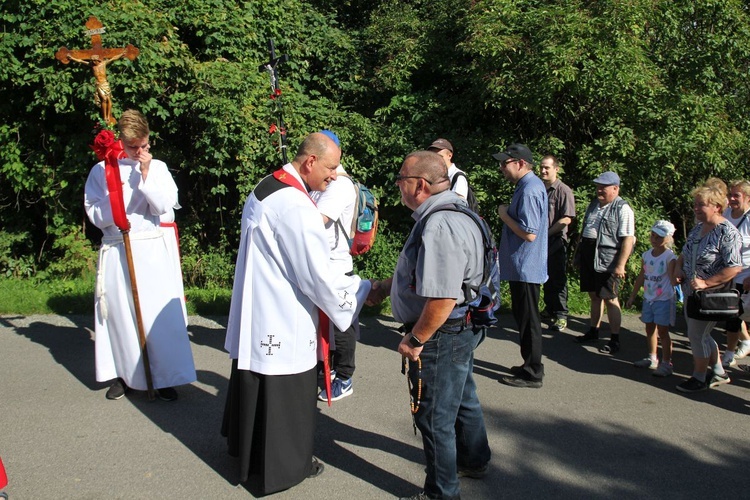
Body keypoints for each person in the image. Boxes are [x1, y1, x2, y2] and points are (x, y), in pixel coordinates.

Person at [221, 133, 371, 495]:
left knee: (258, 381)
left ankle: (250, 455)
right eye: (332, 168)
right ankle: (284, 467)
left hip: (261, 304)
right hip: (283, 313)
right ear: (310, 162)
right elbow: (315, 274)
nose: (336, 176)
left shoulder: (267, 184)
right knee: (285, 391)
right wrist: (361, 290)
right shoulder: (295, 204)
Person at [368, 150, 491, 500]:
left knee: (434, 418)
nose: (398, 186)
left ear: (420, 185)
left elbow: (442, 297)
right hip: (460, 329)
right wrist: (387, 287)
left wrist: (415, 337)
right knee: (463, 398)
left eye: (401, 180)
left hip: (442, 333)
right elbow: (422, 271)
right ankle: (475, 460)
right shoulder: (453, 212)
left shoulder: (439, 224)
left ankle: (442, 493)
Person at [84, 109, 196, 402]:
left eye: (144, 146)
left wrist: (145, 176)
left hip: (150, 248)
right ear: (121, 142)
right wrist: (115, 198)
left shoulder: (157, 167)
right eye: (134, 147)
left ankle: (163, 376)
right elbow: (95, 213)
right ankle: (125, 374)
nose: (140, 152)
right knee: (123, 315)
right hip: (117, 247)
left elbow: (163, 206)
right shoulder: (101, 171)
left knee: (156, 316)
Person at [672, 181, 742, 393]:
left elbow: (735, 267)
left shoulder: (727, 232)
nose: (695, 208)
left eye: (700, 204)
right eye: (695, 204)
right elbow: (684, 253)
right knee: (701, 334)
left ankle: (699, 377)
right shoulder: (697, 229)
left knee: (696, 335)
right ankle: (719, 371)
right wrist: (678, 269)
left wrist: (706, 283)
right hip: (691, 293)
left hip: (711, 295)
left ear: (716, 207)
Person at [310, 130, 359, 402]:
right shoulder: (324, 182)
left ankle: (344, 376)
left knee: (342, 321)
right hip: (324, 263)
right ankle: (326, 368)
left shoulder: (339, 184)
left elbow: (320, 219)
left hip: (337, 264)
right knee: (326, 321)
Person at [494, 144, 548, 388]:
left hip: (527, 267)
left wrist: (504, 215)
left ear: (520, 163)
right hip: (523, 267)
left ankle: (533, 371)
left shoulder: (530, 189)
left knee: (529, 320)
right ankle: (529, 364)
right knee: (524, 318)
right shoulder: (527, 187)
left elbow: (529, 233)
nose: (501, 167)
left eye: (505, 163)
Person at [575, 171, 635, 354]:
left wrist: (620, 265)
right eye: (598, 186)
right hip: (588, 254)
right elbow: (584, 230)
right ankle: (594, 330)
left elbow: (628, 239)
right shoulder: (594, 204)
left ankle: (614, 339)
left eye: (603, 187)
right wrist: (577, 255)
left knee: (610, 298)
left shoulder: (622, 208)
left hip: (607, 259)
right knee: (594, 295)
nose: (599, 190)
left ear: (615, 188)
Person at [626, 220, 677, 377]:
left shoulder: (670, 257)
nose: (654, 239)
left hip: (664, 299)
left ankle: (666, 363)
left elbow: (673, 278)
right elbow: (642, 275)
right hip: (649, 297)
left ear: (667, 238)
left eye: (659, 237)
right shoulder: (646, 255)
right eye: (653, 236)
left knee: (663, 331)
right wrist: (633, 295)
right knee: (649, 328)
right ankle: (652, 357)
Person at [539, 155, 576, 332]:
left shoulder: (563, 190)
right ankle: (549, 309)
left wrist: (547, 233)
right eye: (541, 167)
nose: (543, 170)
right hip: (539, 242)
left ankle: (561, 315)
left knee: (558, 278)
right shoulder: (538, 188)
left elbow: (567, 219)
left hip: (556, 241)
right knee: (544, 277)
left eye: (547, 167)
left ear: (556, 169)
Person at [721, 179, 750, 368]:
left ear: (747, 198)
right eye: (730, 194)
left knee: (744, 315)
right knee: (731, 316)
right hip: (727, 274)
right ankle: (729, 353)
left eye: (736, 195)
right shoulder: (725, 214)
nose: (731, 199)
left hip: (746, 274)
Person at [67, 52, 127, 125]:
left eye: (94, 61)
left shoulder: (103, 63)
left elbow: (113, 58)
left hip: (105, 84)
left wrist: (121, 54)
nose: (93, 62)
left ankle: (108, 116)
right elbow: (81, 61)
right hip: (99, 84)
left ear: (98, 60)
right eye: (92, 61)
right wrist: (72, 58)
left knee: (108, 99)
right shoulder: (92, 66)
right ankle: (105, 117)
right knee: (104, 99)